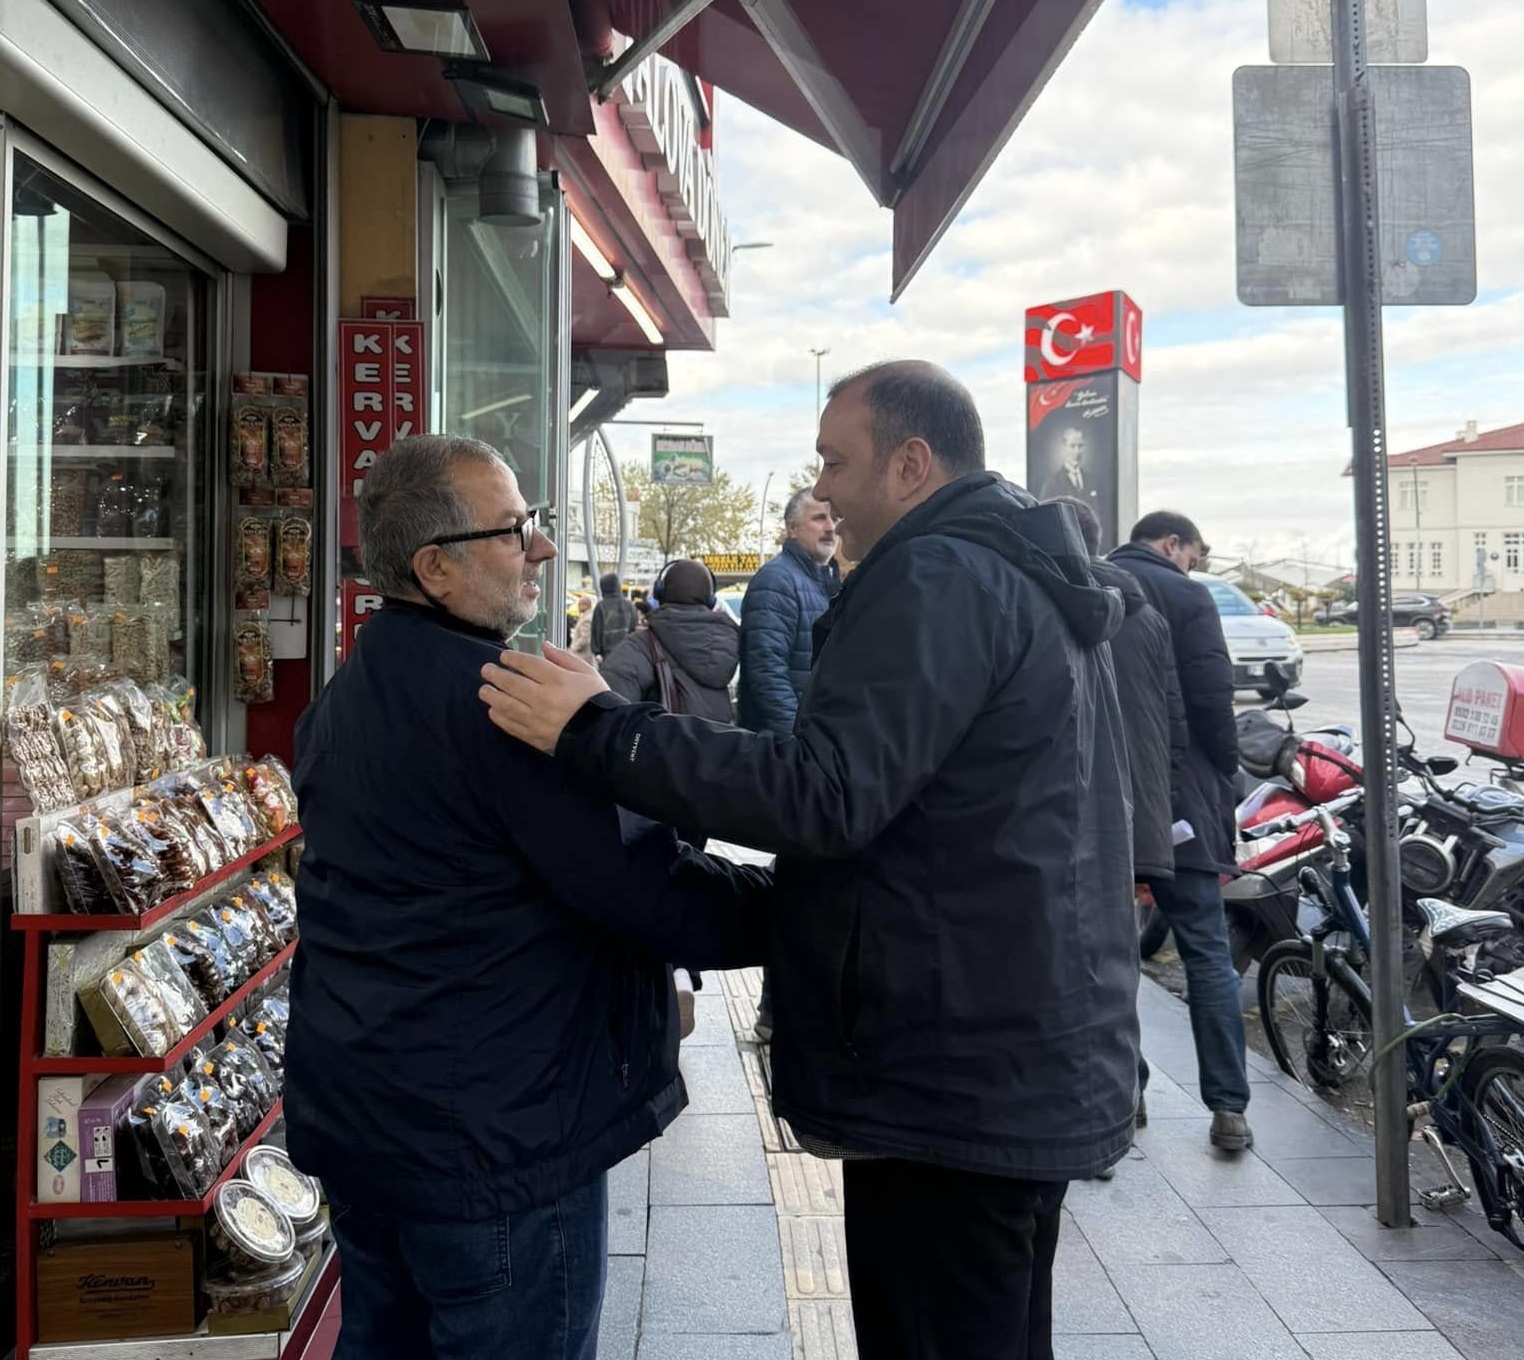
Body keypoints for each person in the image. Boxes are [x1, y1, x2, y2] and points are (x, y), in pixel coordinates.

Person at [477, 361, 1140, 1360]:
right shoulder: (1019, 573)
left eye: (835, 461)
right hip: (1011, 1053)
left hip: (951, 1073)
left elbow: (826, 791)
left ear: (911, 463)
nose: (821, 490)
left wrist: (599, 730)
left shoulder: (936, 574)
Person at [284, 435, 770, 1360]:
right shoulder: (507, 708)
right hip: (490, 1144)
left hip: (365, 1123)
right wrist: (810, 909)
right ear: (434, 569)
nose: (541, 548)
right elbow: (649, 888)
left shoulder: (345, 696)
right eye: (514, 531)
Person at [1109, 510, 1254, 1152]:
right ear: (1172, 544)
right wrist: (1226, 773)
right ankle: (1228, 1109)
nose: (1196, 566)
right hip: (1183, 800)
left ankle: (1129, 1091)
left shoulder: (1094, 585)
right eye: (1197, 554)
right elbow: (1213, 699)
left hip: (1107, 802)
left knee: (1112, 956)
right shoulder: (1187, 596)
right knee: (1207, 953)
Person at [1051, 496, 1188, 1168]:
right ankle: (1125, 1091)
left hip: (1078, 810)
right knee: (1117, 961)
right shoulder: (1146, 613)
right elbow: (1175, 721)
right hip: (1139, 814)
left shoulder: (1049, 604)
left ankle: (1101, 1100)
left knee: (1072, 958)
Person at [601, 556, 740, 1039]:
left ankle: (668, 976)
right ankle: (679, 970)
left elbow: (608, 704)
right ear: (710, 598)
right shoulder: (728, 641)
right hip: (709, 786)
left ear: (659, 596)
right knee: (684, 872)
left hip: (656, 783)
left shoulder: (643, 644)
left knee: (649, 880)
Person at [736, 487, 841, 1040]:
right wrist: (796, 746)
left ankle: (785, 1009)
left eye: (833, 517)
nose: (830, 526)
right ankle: (776, 1010)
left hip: (814, 752)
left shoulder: (823, 580)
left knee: (808, 881)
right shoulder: (779, 581)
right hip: (800, 755)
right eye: (818, 517)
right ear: (791, 528)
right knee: (799, 884)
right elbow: (767, 670)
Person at [591, 570, 636, 660]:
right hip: (627, 652)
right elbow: (633, 628)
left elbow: (597, 629)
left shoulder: (601, 606)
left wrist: (597, 652)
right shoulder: (629, 605)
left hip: (607, 654)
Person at [568, 594, 595, 664]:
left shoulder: (587, 619)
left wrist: (573, 648)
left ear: (585, 605)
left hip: (582, 656)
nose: (578, 607)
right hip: (584, 655)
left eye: (579, 604)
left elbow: (584, 638)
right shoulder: (588, 616)